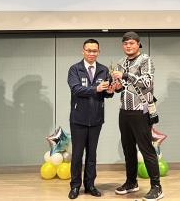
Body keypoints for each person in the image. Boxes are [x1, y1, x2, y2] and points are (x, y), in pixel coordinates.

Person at [112, 31, 163, 201]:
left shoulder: (145, 59)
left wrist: (126, 75)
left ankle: (157, 187)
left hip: (141, 110)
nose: (128, 46)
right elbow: (122, 87)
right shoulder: (120, 62)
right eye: (125, 43)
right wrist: (116, 86)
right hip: (124, 111)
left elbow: (147, 83)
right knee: (128, 149)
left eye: (131, 43)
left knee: (146, 149)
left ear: (138, 44)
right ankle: (131, 182)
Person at [67, 39, 114, 199]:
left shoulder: (104, 69)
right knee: (77, 155)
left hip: (96, 119)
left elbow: (106, 93)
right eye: (89, 50)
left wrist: (110, 91)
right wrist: (96, 89)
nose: (92, 53)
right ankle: (75, 186)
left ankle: (90, 185)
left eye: (95, 51)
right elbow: (76, 89)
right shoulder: (75, 69)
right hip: (78, 119)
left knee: (92, 154)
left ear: (98, 52)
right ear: (83, 51)